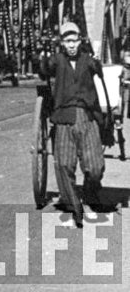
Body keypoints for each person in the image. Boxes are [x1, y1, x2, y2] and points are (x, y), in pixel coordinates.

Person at [38, 20, 105, 227]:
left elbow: (99, 70)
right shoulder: (57, 61)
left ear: (80, 41)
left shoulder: (88, 60)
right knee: (64, 164)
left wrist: (96, 60)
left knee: (95, 168)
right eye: (67, 41)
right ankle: (76, 207)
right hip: (64, 118)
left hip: (87, 117)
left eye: (74, 40)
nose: (71, 45)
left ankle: (89, 194)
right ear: (62, 44)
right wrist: (42, 54)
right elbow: (44, 69)